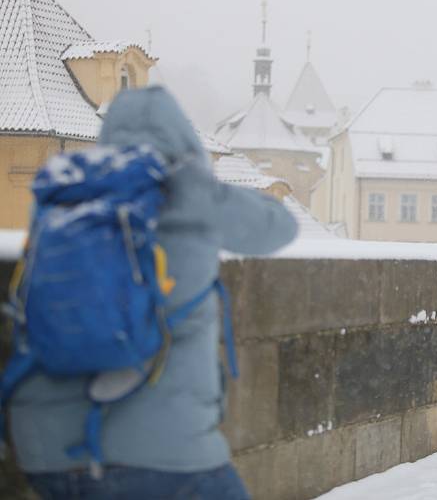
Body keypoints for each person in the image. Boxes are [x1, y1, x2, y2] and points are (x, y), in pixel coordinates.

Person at [8, 86, 298, 499]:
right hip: (166, 452)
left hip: (46, 449)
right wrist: (202, 180)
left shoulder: (68, 189)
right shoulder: (188, 189)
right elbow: (280, 226)